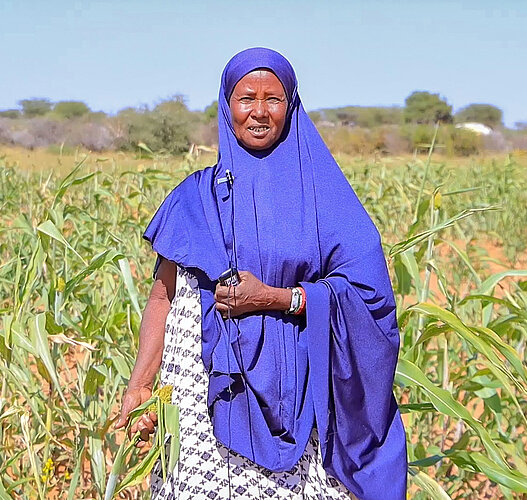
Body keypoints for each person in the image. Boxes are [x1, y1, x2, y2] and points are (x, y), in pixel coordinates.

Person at [114, 47, 407, 500]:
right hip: (200, 395)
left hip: (300, 397)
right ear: (226, 104)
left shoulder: (324, 198)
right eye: (245, 97)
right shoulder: (196, 196)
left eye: (273, 99)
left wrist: (274, 298)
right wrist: (140, 386)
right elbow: (162, 298)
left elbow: (370, 299)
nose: (259, 112)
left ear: (291, 105)